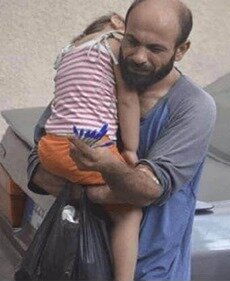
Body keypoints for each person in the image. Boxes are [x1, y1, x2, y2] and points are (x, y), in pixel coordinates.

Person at [27, 0, 216, 280]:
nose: (139, 57)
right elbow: (37, 167)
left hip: (153, 271)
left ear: (181, 50)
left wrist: (102, 171)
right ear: (121, 29)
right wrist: (100, 190)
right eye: (132, 41)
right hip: (78, 264)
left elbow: (146, 189)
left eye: (155, 49)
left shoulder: (193, 106)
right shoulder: (93, 81)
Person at [35, 12, 143, 281]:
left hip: (50, 147)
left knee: (90, 196)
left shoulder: (70, 52)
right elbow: (128, 101)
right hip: (86, 149)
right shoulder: (116, 45)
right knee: (130, 210)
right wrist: (130, 150)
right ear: (119, 24)